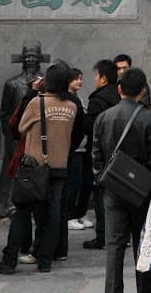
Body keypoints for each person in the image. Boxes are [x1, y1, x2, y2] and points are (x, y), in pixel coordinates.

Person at [0, 64, 84, 274]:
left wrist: (33, 92)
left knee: (22, 212)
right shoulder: (72, 106)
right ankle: (45, 260)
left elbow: (20, 127)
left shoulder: (37, 103)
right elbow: (78, 133)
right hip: (60, 167)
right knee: (53, 214)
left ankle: (9, 261)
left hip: (34, 167)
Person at [91, 67, 151, 293]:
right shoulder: (149, 118)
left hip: (113, 190)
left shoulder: (103, 118)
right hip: (142, 191)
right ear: (143, 91)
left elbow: (96, 155)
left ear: (119, 89)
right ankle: (144, 290)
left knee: (114, 246)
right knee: (144, 245)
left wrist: (102, 179)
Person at [0, 43, 45, 216]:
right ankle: (6, 203)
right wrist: (10, 136)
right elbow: (4, 114)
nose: (30, 60)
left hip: (38, 138)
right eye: (27, 56)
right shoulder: (12, 84)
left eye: (34, 56)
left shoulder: (46, 82)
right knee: (11, 171)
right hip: (16, 137)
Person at [82, 59, 120, 250]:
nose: (95, 79)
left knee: (100, 197)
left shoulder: (97, 101)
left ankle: (103, 235)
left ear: (103, 78)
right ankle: (118, 233)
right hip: (120, 154)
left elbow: (90, 128)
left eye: (96, 76)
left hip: (100, 155)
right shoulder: (120, 97)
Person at [67, 66, 95, 232]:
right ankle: (70, 215)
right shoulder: (68, 100)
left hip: (84, 148)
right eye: (76, 78)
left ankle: (80, 213)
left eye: (81, 78)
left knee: (85, 183)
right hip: (75, 149)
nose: (80, 81)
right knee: (74, 184)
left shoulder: (80, 98)